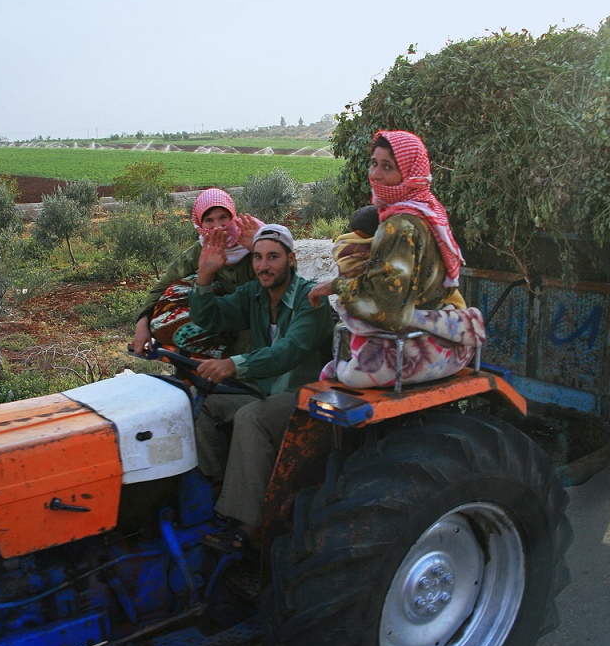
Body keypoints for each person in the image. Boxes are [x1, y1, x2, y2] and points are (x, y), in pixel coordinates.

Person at [190, 223, 335, 553]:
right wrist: (204, 276)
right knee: (203, 401)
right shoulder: (253, 294)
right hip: (265, 388)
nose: (263, 266)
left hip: (306, 395)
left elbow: (289, 351)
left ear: (291, 259)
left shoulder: (310, 298)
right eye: (257, 258)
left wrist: (233, 364)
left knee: (252, 417)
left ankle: (251, 527)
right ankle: (217, 489)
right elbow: (208, 318)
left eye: (273, 257)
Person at [309, 130, 485, 388]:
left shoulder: (399, 225)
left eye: (387, 167)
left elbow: (385, 307)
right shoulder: (426, 210)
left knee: (339, 372)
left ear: (410, 173)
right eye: (374, 163)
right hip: (444, 346)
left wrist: (335, 286)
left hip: (405, 349)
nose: (375, 174)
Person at [131, 188, 260, 356]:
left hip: (262, 318)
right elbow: (163, 285)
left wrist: (258, 249)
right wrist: (142, 323)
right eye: (209, 220)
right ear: (200, 224)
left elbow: (285, 276)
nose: (217, 226)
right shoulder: (200, 250)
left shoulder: (254, 238)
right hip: (225, 319)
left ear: (232, 216)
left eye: (223, 217)